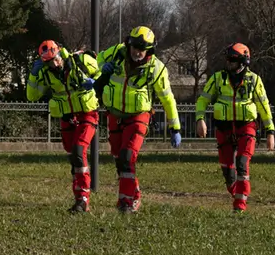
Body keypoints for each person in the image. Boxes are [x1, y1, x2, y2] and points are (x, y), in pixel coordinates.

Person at [95, 26, 181, 213]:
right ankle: (134, 194)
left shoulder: (156, 68)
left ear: (150, 49)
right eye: (135, 46)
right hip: (115, 114)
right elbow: (99, 59)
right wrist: (103, 67)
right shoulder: (117, 52)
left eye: (143, 48)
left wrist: (175, 127)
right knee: (119, 159)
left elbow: (167, 98)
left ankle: (125, 203)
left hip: (139, 116)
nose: (138, 52)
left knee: (127, 157)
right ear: (129, 44)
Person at [195, 43, 275, 213]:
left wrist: (270, 131)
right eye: (228, 59)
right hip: (224, 129)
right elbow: (203, 100)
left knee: (242, 162)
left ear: (243, 62)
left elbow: (264, 106)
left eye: (233, 60)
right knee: (228, 172)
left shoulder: (254, 80)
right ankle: (237, 192)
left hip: (246, 127)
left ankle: (239, 207)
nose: (228, 63)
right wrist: (199, 119)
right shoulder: (217, 79)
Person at [26, 40, 101, 213]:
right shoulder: (45, 74)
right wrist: (32, 75)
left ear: (60, 52)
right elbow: (31, 96)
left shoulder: (79, 61)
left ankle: (83, 198)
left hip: (87, 113)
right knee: (73, 155)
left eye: (56, 58)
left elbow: (101, 73)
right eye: (50, 61)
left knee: (78, 151)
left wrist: (93, 81)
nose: (55, 63)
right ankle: (79, 197)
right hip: (67, 117)